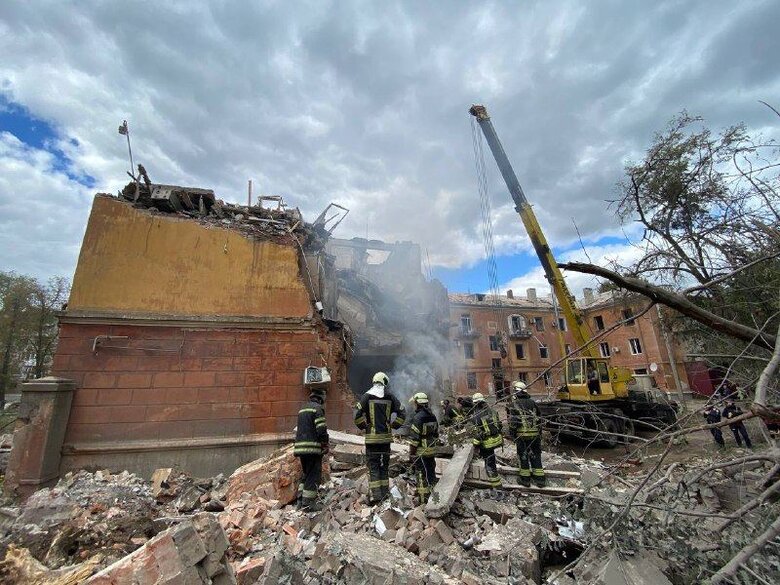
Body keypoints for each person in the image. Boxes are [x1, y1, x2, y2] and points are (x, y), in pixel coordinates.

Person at [354, 372, 406, 504]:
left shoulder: (366, 397)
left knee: (373, 465)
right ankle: (384, 493)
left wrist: (364, 426)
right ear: (384, 383)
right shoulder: (390, 397)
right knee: (384, 465)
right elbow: (402, 412)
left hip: (372, 439)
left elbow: (357, 414)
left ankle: (376, 496)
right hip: (386, 439)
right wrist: (394, 425)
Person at [293, 388, 329, 511]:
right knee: (313, 475)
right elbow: (321, 429)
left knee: (306, 474)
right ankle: (308, 505)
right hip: (313, 449)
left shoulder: (302, 409)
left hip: (301, 449)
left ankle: (300, 501)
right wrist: (325, 444)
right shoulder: (318, 409)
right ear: (320, 398)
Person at [507, 381, 546, 487]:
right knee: (535, 455)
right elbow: (539, 419)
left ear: (516, 392)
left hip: (522, 436)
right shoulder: (533, 403)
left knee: (523, 456)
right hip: (535, 435)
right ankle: (540, 480)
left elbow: (513, 423)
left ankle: (525, 480)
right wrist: (540, 433)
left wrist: (513, 435)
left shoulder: (513, 404)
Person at [408, 392, 440, 504]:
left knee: (421, 476)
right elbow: (436, 433)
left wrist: (411, 454)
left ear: (418, 403)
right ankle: (434, 498)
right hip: (431, 450)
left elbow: (414, 440)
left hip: (421, 452)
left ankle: (424, 501)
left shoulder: (417, 418)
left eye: (415, 403)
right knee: (431, 474)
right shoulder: (432, 415)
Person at [470, 392, 504, 488]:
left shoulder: (476, 415)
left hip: (487, 444)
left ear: (475, 403)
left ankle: (497, 488)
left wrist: (475, 445)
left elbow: (478, 434)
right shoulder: (492, 410)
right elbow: (499, 425)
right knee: (492, 462)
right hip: (497, 440)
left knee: (490, 467)